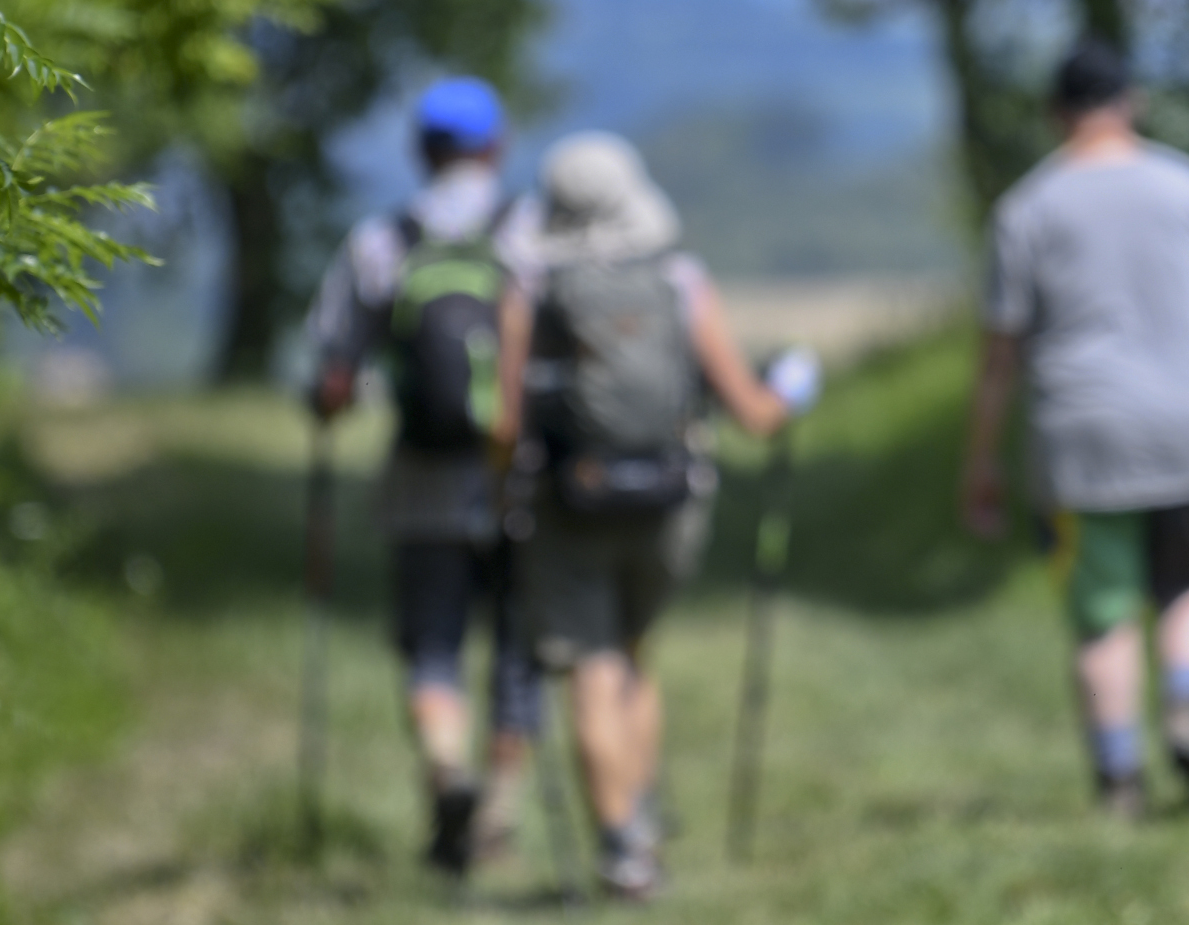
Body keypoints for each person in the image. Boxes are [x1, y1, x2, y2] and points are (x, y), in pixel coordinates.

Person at [507, 131, 819, 900]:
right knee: (637, 652)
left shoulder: (532, 288)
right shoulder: (679, 280)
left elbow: (501, 423)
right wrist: (793, 390)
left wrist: (502, 488)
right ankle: (640, 823)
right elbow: (752, 411)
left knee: (591, 663)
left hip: (566, 498)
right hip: (668, 501)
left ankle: (620, 849)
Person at [960, 42, 1189, 816]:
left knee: (1101, 610)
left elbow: (1001, 353)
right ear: (1131, 101)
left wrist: (983, 460)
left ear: (1057, 113)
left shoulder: (1026, 207)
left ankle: (1119, 777)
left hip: (1083, 435)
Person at [307, 75, 542, 876]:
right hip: (519, 478)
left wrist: (327, 403)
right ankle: (498, 818)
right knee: (518, 648)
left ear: (419, 151)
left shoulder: (382, 241)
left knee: (432, 643)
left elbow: (335, 378)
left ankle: (448, 770)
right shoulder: (529, 233)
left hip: (422, 476)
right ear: (496, 145)